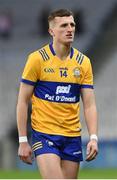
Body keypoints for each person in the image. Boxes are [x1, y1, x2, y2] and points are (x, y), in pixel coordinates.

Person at [17, 9, 98, 179]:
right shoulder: (37, 59)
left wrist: (93, 137)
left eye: (72, 24)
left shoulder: (83, 62)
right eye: (64, 25)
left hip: (72, 136)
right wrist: (23, 140)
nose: (70, 29)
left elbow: (89, 104)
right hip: (44, 133)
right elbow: (23, 101)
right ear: (51, 31)